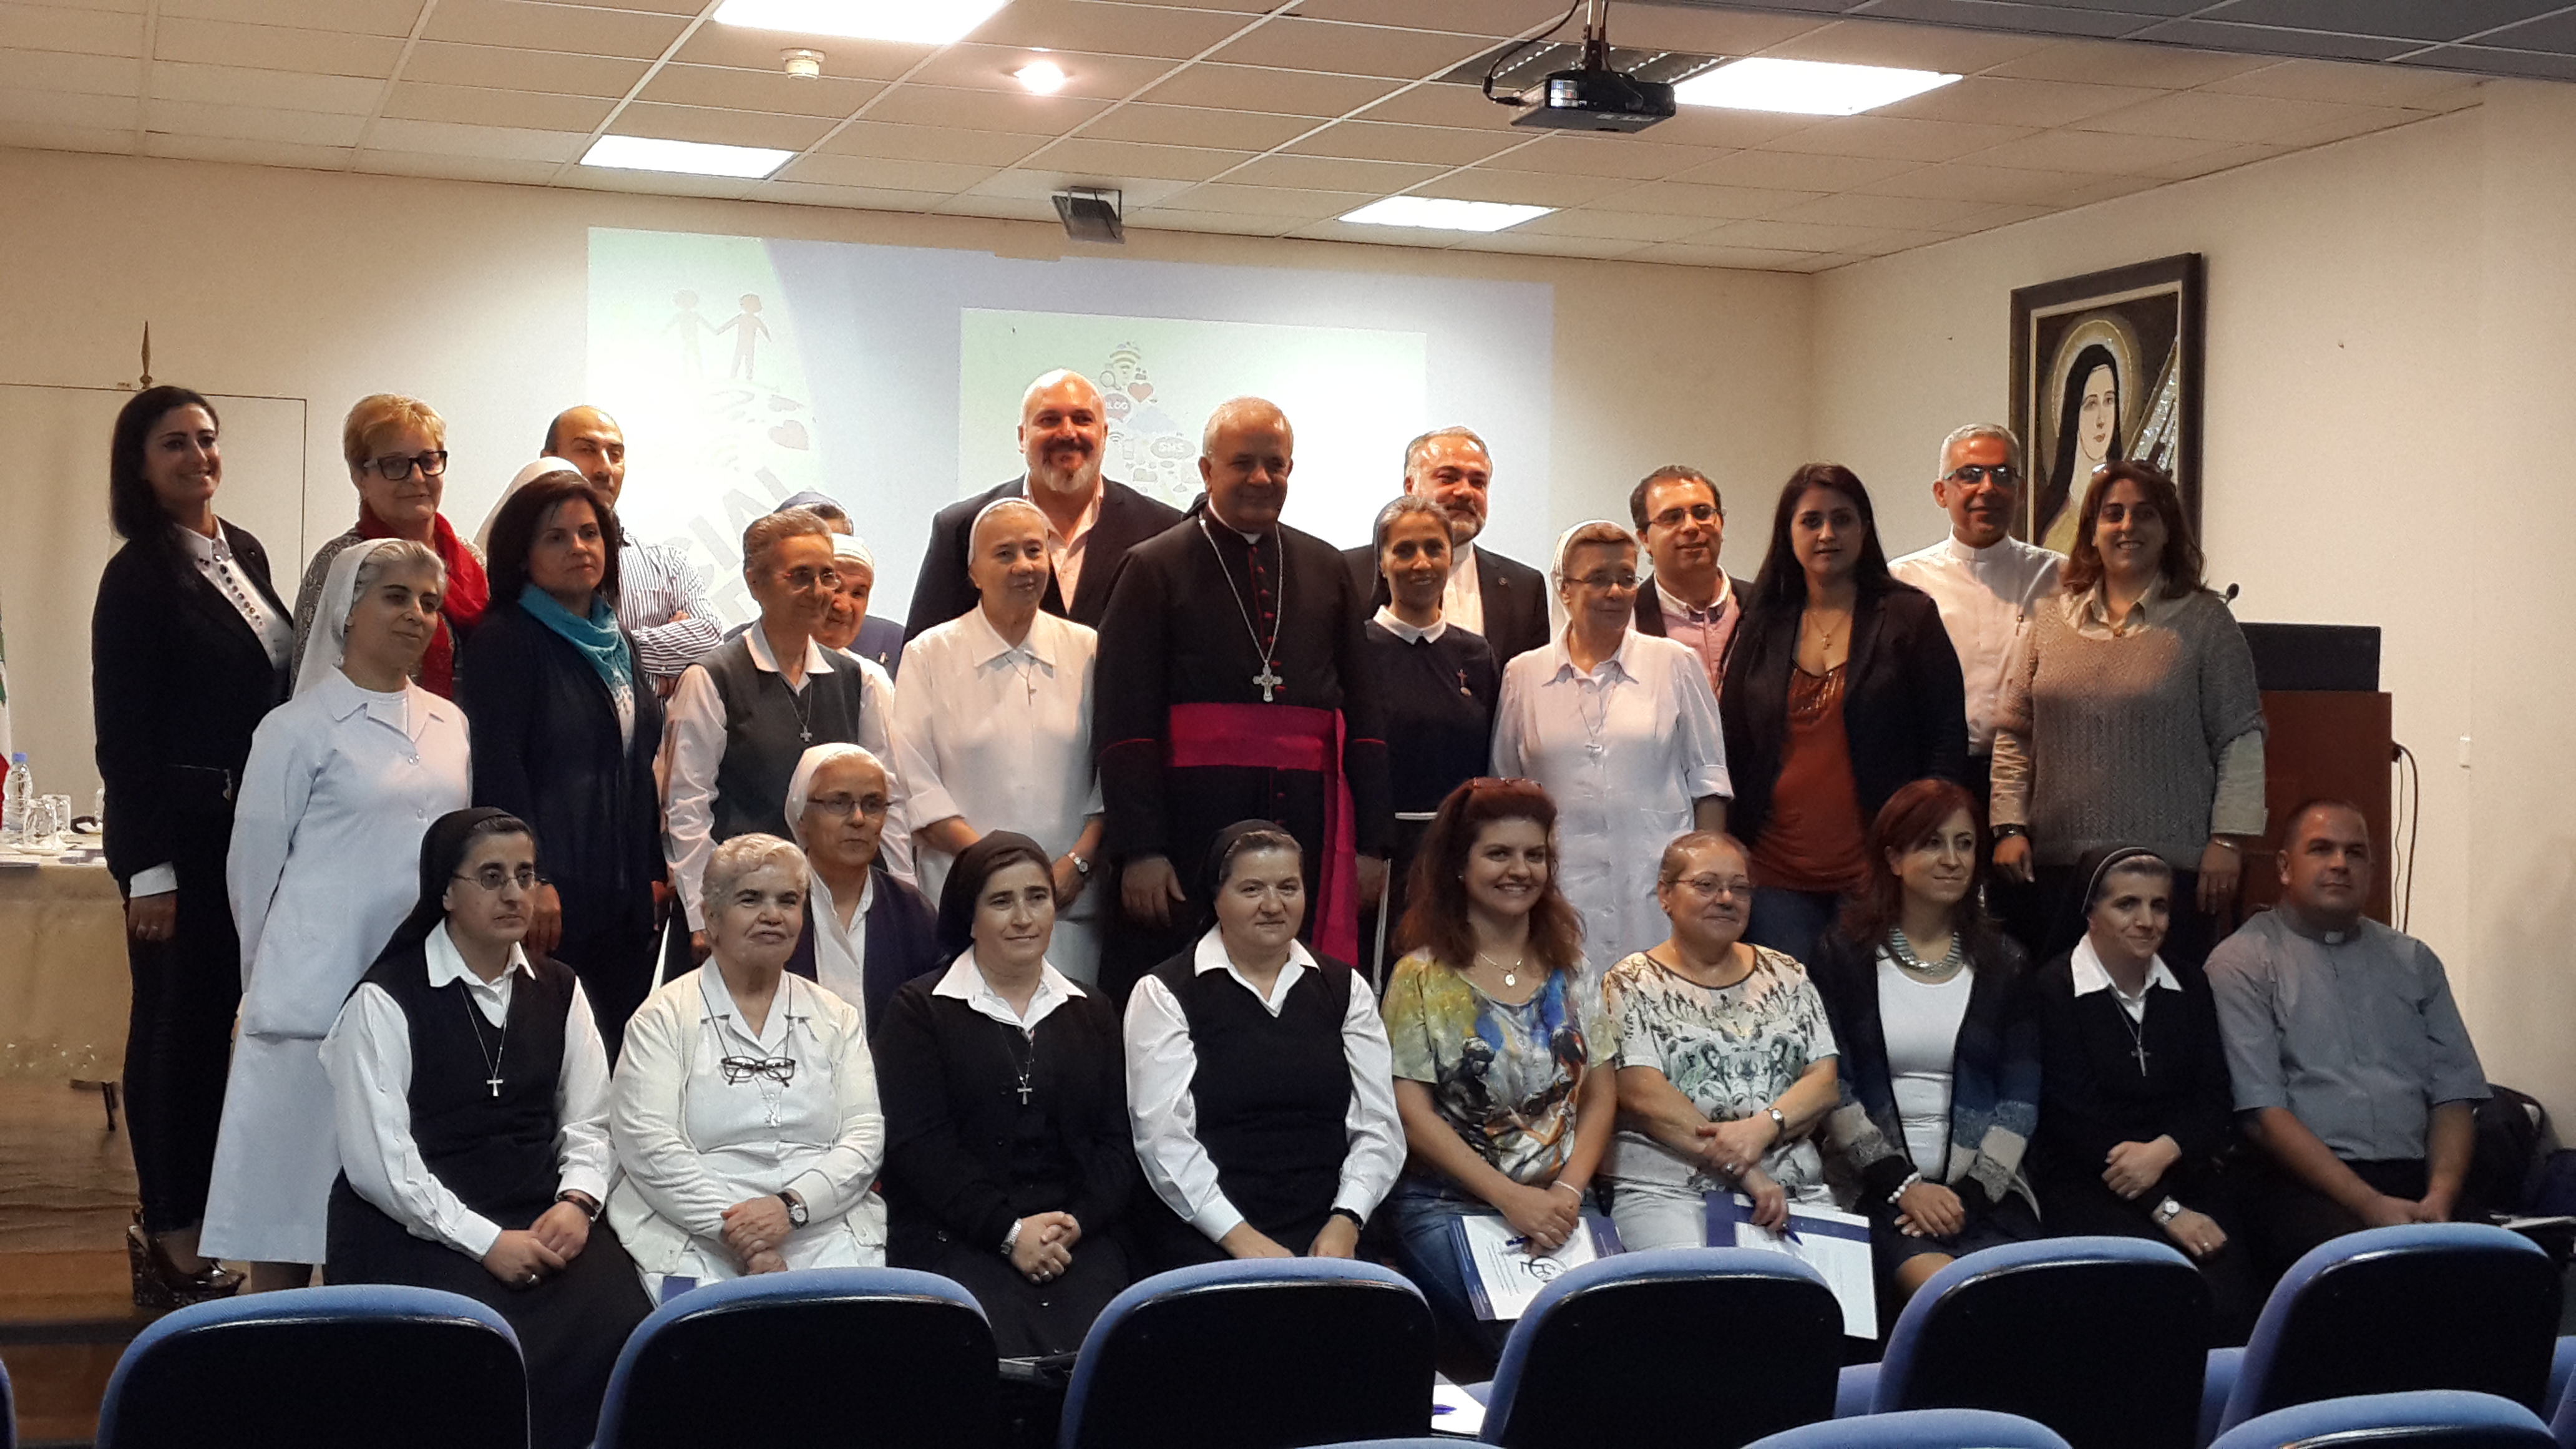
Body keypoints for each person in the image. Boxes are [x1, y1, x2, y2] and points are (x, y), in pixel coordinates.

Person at [321, 809, 651, 1449]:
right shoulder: (384, 999)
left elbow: (592, 1120)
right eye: (492, 877)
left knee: (620, 1319)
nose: (515, 894)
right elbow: (381, 1166)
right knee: (464, 1345)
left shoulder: (560, 989)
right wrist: (486, 1242)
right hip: (415, 1225)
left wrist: (578, 1202)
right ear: (445, 893)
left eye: (526, 876)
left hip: (539, 1209)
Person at [207, 539, 472, 1291]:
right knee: (285, 1196)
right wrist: (263, 980)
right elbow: (252, 870)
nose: (416, 614)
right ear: (347, 612)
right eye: (396, 597)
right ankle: (269, 1342)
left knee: (389, 1200)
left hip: (413, 984)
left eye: (429, 602)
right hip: (312, 987)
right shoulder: (296, 729)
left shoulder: (450, 724)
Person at [92, 386, 295, 1305]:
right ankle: (169, 1241)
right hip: (178, 842)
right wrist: (148, 869)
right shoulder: (137, 575)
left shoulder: (241, 551)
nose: (197, 456)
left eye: (206, 439)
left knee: (217, 1035)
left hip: (245, 837)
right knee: (174, 1036)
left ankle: (201, 1226)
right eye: (173, 443)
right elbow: (123, 737)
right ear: (140, 465)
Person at [1093, 398, 1393, 995]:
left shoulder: (1327, 566)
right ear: (1207, 471)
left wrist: (1372, 843)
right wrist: (1141, 849)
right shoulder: (1152, 567)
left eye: (1275, 465)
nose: (1261, 478)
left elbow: (1364, 714)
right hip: (1190, 823)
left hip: (1310, 820)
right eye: (1243, 464)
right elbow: (1124, 723)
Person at [1991, 461, 2264, 971]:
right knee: (2062, 1004)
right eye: (2112, 513)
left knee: (2163, 1008)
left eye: (2145, 514)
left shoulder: (2207, 623)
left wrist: (2228, 840)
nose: (2127, 526)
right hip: (2059, 870)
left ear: (2168, 530)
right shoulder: (2048, 621)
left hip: (2169, 875)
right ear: (2092, 531)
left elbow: (2240, 739)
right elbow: (2014, 735)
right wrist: (2009, 827)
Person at [872, 832, 1136, 1355]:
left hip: (1074, 1236)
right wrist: (1010, 1233)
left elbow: (1117, 1144)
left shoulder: (1093, 1010)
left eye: (1037, 898)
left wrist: (1074, 1225)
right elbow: (921, 1149)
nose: (1023, 918)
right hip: (960, 1232)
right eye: (1001, 901)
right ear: (969, 918)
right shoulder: (919, 1011)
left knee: (1110, 1349)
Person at [1379, 780, 1609, 1372]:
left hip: (1564, 1204)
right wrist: (1510, 1198)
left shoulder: (1574, 970)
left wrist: (1566, 1194)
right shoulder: (1419, 977)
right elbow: (1412, 1114)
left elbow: (1600, 1095)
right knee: (1540, 1354)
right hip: (1450, 1205)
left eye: (1535, 855)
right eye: (1499, 854)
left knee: (1620, 1344)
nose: (1520, 870)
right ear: (1460, 865)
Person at [2208, 801, 2491, 1276]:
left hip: (2420, 1177)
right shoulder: (2242, 963)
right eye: (2321, 849)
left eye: (2355, 852)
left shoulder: (2414, 961)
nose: (2340, 863)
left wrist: (2440, 1197)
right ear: (2285, 867)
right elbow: (2263, 1116)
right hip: (2303, 1186)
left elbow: (2454, 1095)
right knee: (2366, 1275)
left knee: (2505, 1266)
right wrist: (2369, 1204)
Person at [608, 834, 889, 1299]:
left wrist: (791, 1208)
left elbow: (864, 1138)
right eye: (751, 899)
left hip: (822, 1225)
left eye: (788, 901)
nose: (773, 915)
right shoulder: (660, 1019)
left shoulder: (837, 1017)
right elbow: (649, 1147)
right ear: (711, 918)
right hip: (696, 1235)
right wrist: (743, 1235)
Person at [1124, 822, 1403, 1268]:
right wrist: (1239, 1238)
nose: (1273, 905)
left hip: (1332, 1221)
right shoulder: (1164, 993)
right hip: (1208, 1225)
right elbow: (1162, 1140)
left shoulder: (1345, 988)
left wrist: (1347, 1219)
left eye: (1288, 887)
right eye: (1251, 889)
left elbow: (1379, 1126)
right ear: (1216, 897)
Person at [1722, 465, 1966, 968]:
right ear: (1789, 532)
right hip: (1775, 875)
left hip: (1877, 871)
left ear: (1864, 528)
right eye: (1811, 521)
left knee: (1866, 1008)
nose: (1827, 534)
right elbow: (1733, 739)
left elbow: (1946, 737)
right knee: (1789, 1007)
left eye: (1842, 519)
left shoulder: (1910, 617)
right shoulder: (1764, 621)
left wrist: (1925, 842)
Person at [459, 470, 666, 1058]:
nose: (579, 548)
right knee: (553, 1058)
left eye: (589, 534)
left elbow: (635, 765)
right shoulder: (505, 639)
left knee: (616, 1059)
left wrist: (651, 871)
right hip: (552, 897)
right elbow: (500, 769)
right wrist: (533, 878)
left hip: (622, 897)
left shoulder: (618, 640)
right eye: (556, 538)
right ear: (522, 556)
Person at [1810, 780, 2039, 1303]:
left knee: (2028, 1298)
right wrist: (1903, 1186)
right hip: (1873, 1186)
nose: (1952, 860)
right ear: (1893, 858)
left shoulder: (2007, 962)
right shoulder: (1842, 955)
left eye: (1965, 844)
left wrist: (1970, 1197)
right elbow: (1833, 1086)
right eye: (1932, 843)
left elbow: (2020, 1099)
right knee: (1952, 1296)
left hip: (1987, 1189)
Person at [2034, 846, 2260, 1343]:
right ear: (2091, 912)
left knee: (2230, 1305)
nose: (2147, 921)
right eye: (2127, 904)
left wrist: (2164, 1151)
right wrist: (2165, 1209)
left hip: (2183, 1169)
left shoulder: (2191, 984)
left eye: (2159, 906)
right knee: (2149, 1299)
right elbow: (2071, 1120)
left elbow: (2214, 1099)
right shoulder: (2052, 989)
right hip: (2090, 1181)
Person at [665, 507, 905, 966]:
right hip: (742, 910)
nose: (819, 591)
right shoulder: (712, 678)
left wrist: (903, 897)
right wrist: (701, 913)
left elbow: (889, 799)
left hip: (834, 906)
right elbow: (687, 807)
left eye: (827, 576)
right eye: (800, 576)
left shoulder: (859, 681)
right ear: (755, 583)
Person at [1491, 520, 1727, 966]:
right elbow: (1505, 789)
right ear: (1564, 589)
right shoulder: (1523, 674)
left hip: (1657, 888)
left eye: (1626, 578)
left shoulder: (1675, 663)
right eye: (1598, 579)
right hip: (1558, 889)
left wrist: (1708, 879)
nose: (1615, 592)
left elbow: (1709, 781)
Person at [895, 498, 1108, 983]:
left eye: (1034, 551)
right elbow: (914, 780)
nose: (1024, 566)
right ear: (974, 572)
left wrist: (1077, 862)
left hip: (1067, 902)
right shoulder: (929, 654)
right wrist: (998, 872)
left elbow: (1110, 774)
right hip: (964, 900)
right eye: (1005, 554)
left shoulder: (1089, 648)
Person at [1599, 832, 1841, 1250]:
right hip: (1671, 1191)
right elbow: (1643, 1094)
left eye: (1739, 888)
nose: (1726, 898)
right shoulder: (1630, 981)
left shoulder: (1787, 973)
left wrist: (1763, 1127)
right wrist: (1746, 1170)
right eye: (1706, 885)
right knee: (1708, 1289)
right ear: (1665, 895)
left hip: (1792, 1187)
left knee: (1828, 1291)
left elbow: (1824, 1081)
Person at [906, 369, 1185, 637]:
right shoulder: (962, 529)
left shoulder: (1164, 530)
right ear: (1022, 437)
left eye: (1082, 420)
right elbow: (922, 655)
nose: (1068, 433)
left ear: (1104, 434)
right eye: (1049, 420)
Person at [1358, 496, 1500, 982]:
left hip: (1458, 852)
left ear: (1450, 557)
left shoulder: (1475, 654)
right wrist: (1365, 849)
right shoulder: (1356, 647)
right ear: (1382, 561)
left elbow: (1490, 757)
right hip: (1380, 856)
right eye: (1404, 550)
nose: (1421, 563)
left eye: (1434, 549)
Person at [1888, 425, 2061, 812]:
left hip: (2036, 777)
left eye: (2002, 475)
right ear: (1941, 492)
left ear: (2021, 491)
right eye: (1969, 474)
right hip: (1932, 774)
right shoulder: (1902, 582)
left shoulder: (2060, 578)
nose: (1987, 488)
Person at [293, 394, 487, 698]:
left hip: (467, 726)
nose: (417, 477)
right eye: (395, 465)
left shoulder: (472, 560)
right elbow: (310, 679)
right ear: (360, 477)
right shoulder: (342, 562)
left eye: (428, 461)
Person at [546, 406, 722, 697]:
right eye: (587, 450)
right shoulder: (531, 563)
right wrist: (658, 678)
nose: (605, 469)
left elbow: (710, 637)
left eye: (615, 454)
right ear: (550, 460)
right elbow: (548, 663)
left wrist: (594, 648)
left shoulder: (669, 565)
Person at [1338, 427, 1549, 666]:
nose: (1465, 492)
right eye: (1448, 478)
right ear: (1410, 487)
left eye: (1478, 482)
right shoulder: (1347, 573)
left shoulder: (1525, 588)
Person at [782, 744, 942, 1024]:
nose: (858, 819)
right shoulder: (772, 905)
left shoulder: (910, 910)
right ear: (801, 816)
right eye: (838, 802)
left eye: (872, 804)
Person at [1627, 465, 1749, 695]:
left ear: (1721, 523)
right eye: (1672, 518)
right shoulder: (1626, 621)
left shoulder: (1766, 606)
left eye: (1703, 513)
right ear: (1645, 539)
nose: (1691, 527)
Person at [2034, 344, 2121, 554]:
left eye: (2109, 401)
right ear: (2075, 412)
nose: (2102, 420)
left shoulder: (2128, 500)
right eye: (2091, 404)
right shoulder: (2054, 515)